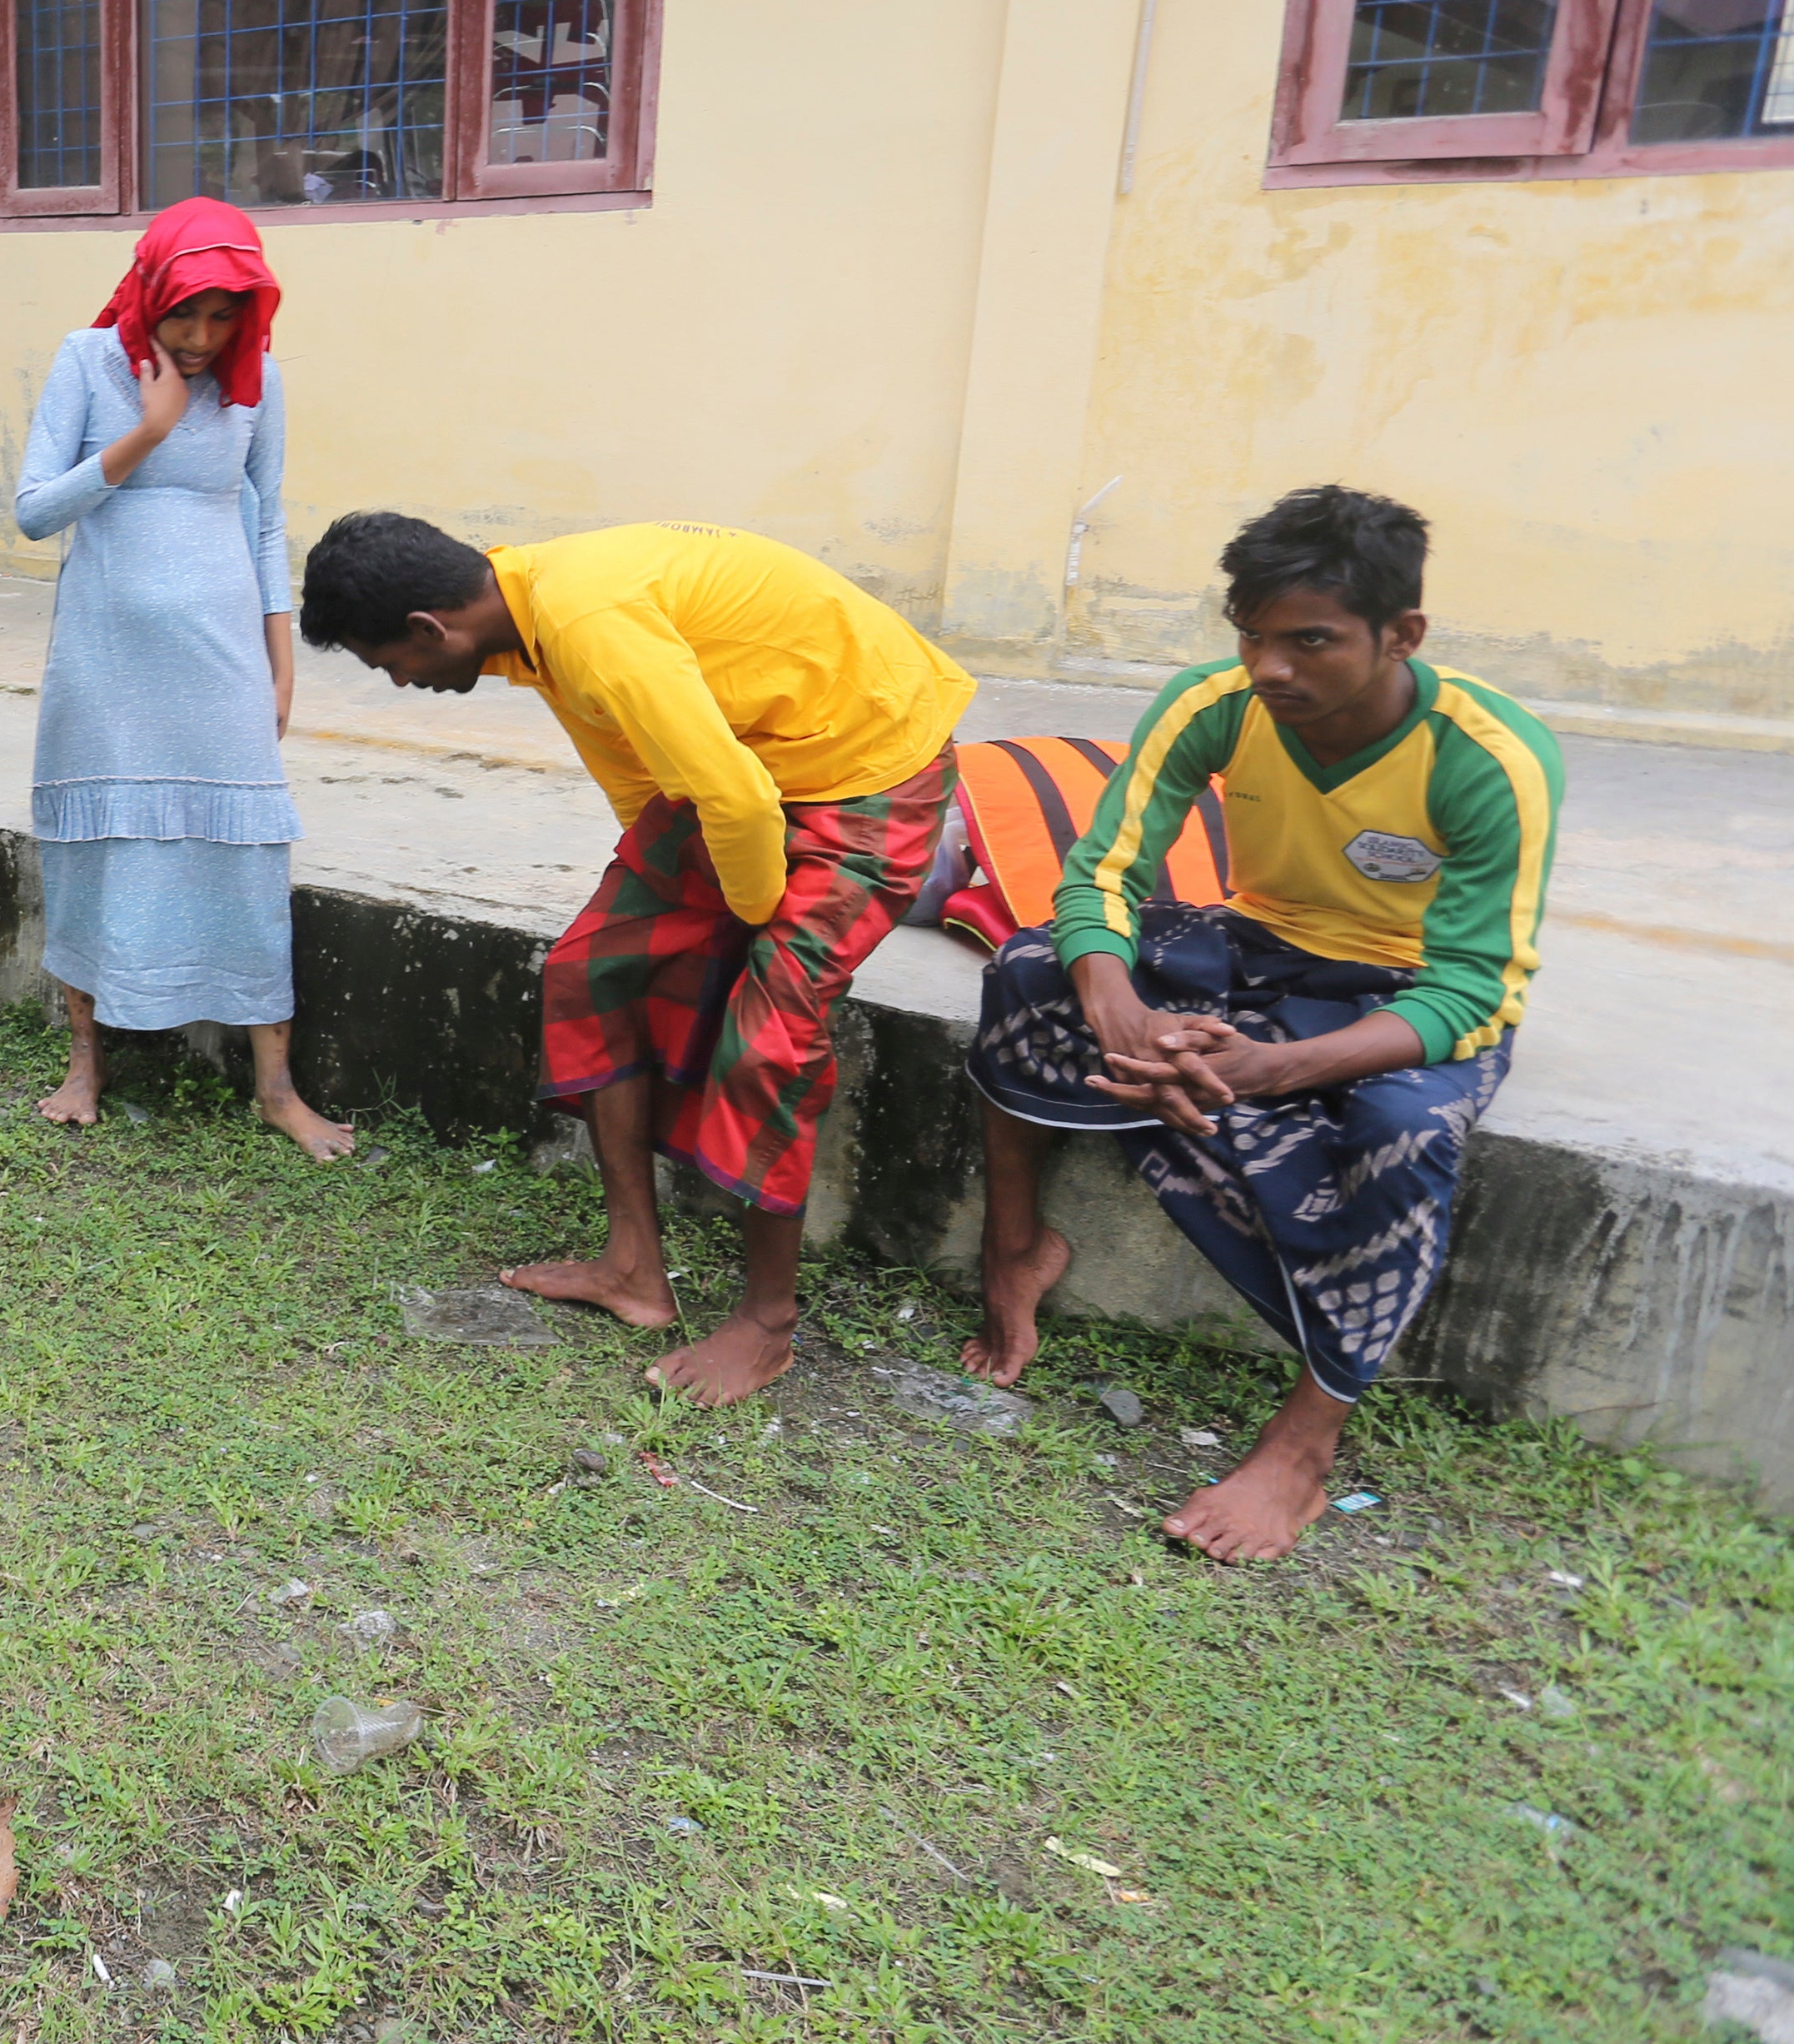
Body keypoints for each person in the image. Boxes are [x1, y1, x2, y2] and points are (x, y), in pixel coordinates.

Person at [959, 487, 1560, 1564]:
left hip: (1405, 989)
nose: (1269, 667)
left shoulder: (1488, 756)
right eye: (1250, 636)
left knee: (1401, 1130)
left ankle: (1304, 1445)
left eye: (1309, 641)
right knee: (1030, 967)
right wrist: (1117, 1005)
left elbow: (1469, 991)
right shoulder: (1216, 703)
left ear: (1401, 635)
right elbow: (1100, 874)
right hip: (1254, 947)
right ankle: (1014, 1250)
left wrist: (1272, 1070)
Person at [300, 513, 972, 1403]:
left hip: (870, 767)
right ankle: (632, 1269)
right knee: (594, 970)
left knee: (769, 1034)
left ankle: (768, 1325)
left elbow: (735, 801)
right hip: (751, 765)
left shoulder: (586, 620)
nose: (399, 682)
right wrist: (669, 890)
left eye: (389, 663)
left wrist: (748, 920)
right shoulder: (527, 614)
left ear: (429, 627)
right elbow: (641, 773)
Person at [14, 197, 353, 1158]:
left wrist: (280, 663)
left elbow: (265, 518)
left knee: (246, 855)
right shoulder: (86, 360)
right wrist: (148, 431)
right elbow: (34, 512)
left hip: (221, 658)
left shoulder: (257, 378)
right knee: (98, 848)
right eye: (183, 316)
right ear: (148, 295)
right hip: (105, 659)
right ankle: (85, 1065)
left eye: (222, 318)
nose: (202, 339)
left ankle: (275, 1089)